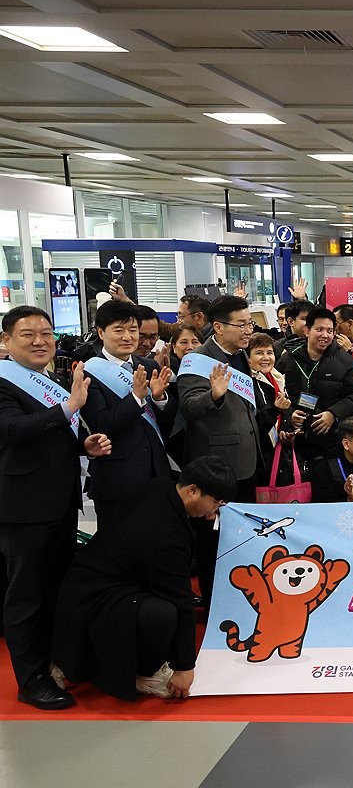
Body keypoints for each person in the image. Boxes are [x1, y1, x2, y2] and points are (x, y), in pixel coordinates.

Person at [52, 457, 236, 701]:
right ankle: (142, 672)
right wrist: (185, 667)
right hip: (98, 600)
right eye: (214, 502)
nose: (215, 510)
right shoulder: (167, 537)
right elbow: (180, 600)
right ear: (193, 491)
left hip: (87, 583)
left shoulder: (159, 488)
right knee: (162, 614)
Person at [0, 307, 110, 710]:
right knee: (26, 596)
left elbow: (50, 439)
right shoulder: (5, 383)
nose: (40, 340)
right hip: (23, 509)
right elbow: (12, 430)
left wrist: (84, 445)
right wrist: (69, 407)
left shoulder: (51, 380)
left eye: (46, 332)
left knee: (54, 591)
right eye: (27, 334)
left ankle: (52, 662)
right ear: (6, 341)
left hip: (60, 504)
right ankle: (30, 680)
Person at [177, 295, 264, 611]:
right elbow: (188, 407)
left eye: (249, 323)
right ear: (217, 326)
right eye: (241, 324)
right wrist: (212, 396)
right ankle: (217, 606)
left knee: (242, 538)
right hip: (215, 469)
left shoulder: (241, 356)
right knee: (214, 543)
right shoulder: (197, 361)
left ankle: (243, 599)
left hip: (247, 464)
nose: (247, 331)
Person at [81, 300, 176, 526]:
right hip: (117, 478)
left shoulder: (148, 366)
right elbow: (101, 425)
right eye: (119, 330)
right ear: (101, 333)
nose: (128, 337)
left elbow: (169, 421)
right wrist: (135, 397)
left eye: (132, 330)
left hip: (156, 473)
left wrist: (160, 398)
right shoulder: (89, 372)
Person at [279, 307, 353, 464]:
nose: (325, 335)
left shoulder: (345, 360)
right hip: (295, 444)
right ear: (307, 330)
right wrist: (288, 418)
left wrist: (333, 414)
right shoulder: (289, 359)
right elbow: (276, 394)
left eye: (329, 330)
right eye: (319, 329)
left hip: (331, 441)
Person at [247, 332, 294, 486]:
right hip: (259, 457)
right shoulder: (247, 384)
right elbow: (256, 426)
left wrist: (289, 425)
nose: (266, 357)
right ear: (248, 358)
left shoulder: (277, 378)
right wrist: (275, 410)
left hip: (277, 452)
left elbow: (283, 413)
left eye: (270, 353)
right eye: (259, 353)